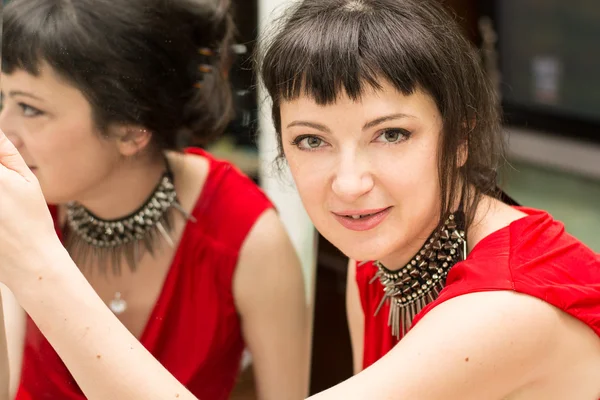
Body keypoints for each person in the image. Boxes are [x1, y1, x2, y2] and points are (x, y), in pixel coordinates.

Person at [0, 0, 599, 399]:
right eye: (311, 141)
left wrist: (37, 263)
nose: (348, 182)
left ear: (461, 137)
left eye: (391, 134)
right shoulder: (383, 255)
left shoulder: (503, 308)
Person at [0, 0, 309, 399]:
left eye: (30, 108)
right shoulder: (23, 206)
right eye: (2, 99)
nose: (5, 130)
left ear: (131, 131)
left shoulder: (246, 235)